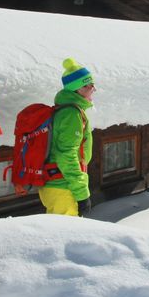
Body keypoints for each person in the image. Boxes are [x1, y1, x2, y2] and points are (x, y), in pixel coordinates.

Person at [39, 58, 95, 216]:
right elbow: (66, 154)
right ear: (76, 89)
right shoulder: (71, 114)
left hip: (58, 185)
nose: (93, 89)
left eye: (92, 84)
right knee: (63, 238)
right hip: (63, 188)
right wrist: (82, 193)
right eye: (87, 85)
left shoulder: (67, 110)